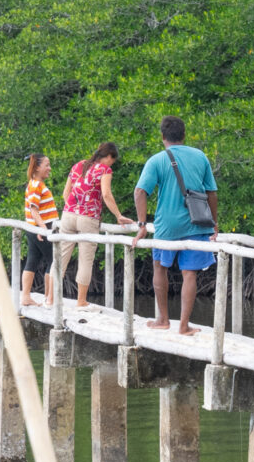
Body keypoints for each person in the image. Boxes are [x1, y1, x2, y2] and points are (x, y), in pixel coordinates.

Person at [130, 115, 218, 335]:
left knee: (160, 267)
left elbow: (140, 192)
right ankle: (184, 325)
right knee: (190, 274)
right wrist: (214, 224)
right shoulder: (200, 156)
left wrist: (142, 224)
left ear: (162, 136)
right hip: (197, 223)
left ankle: (163, 319)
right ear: (184, 135)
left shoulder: (157, 160)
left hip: (167, 226)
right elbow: (211, 192)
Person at [61, 142, 129, 309]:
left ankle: (50, 297)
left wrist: (74, 208)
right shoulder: (105, 170)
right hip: (88, 218)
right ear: (108, 157)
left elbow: (65, 193)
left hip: (68, 214)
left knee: (60, 257)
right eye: (112, 160)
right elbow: (106, 194)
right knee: (86, 260)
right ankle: (81, 301)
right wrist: (118, 215)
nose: (111, 164)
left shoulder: (79, 165)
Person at [20, 153, 58, 307]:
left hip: (33, 228)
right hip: (41, 228)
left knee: (33, 260)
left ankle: (26, 296)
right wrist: (43, 229)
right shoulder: (36, 185)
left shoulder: (34, 183)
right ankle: (50, 298)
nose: (49, 168)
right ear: (37, 167)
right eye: (46, 165)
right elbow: (34, 210)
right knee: (53, 261)